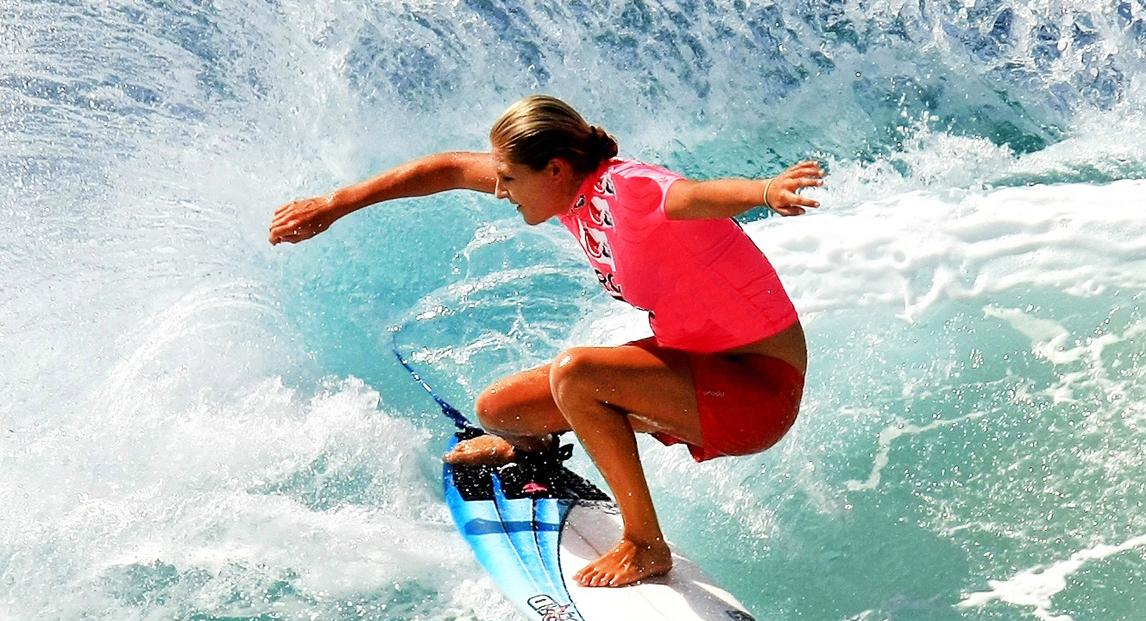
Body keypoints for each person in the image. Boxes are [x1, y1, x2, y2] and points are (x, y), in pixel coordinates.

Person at [269, 95, 822, 588]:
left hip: (757, 391)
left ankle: (646, 546)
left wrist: (766, 191)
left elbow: (695, 196)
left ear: (555, 169)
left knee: (577, 373)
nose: (500, 190)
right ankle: (535, 455)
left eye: (509, 179)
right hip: (696, 367)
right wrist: (335, 204)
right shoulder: (564, 188)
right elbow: (448, 168)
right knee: (501, 410)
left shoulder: (628, 189)